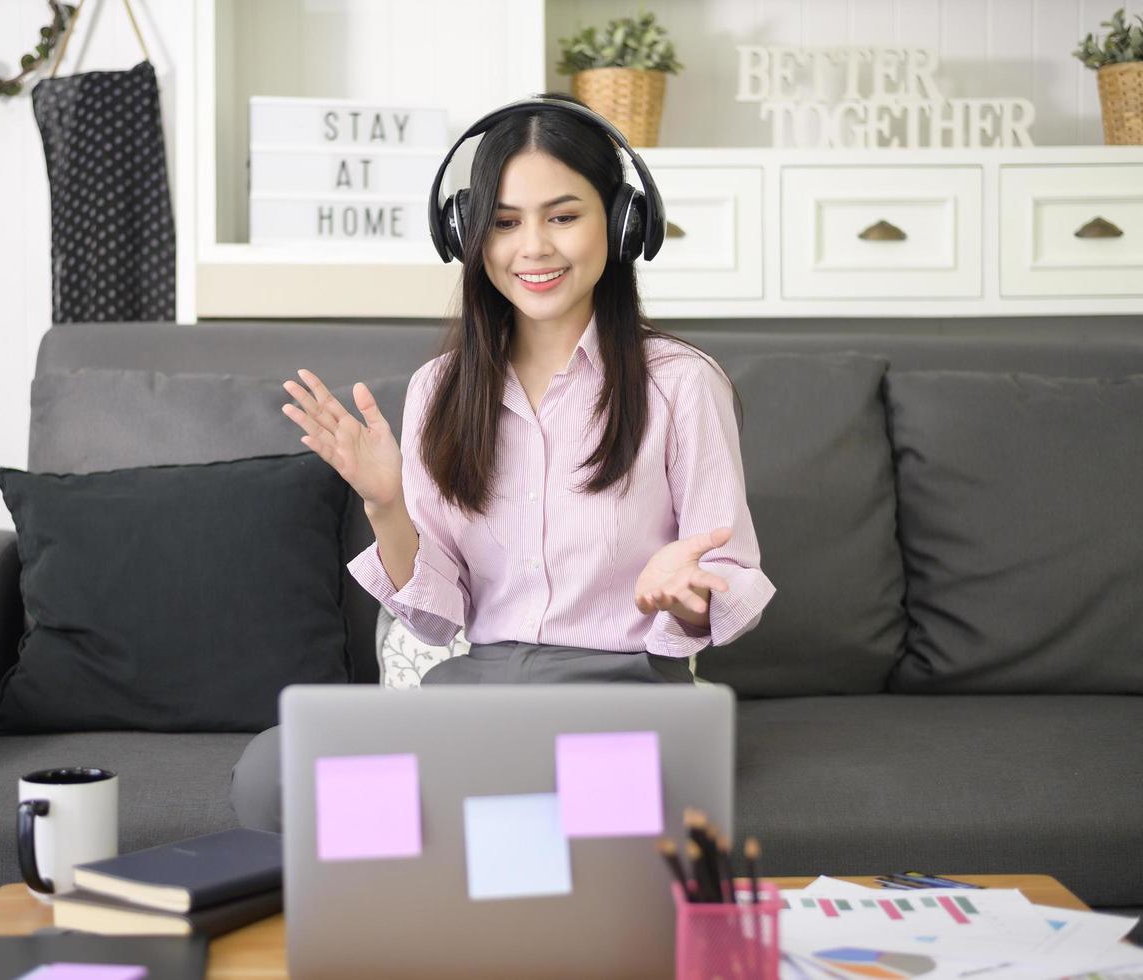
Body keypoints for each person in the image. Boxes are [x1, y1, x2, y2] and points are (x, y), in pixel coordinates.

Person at [230, 93, 775, 832]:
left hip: (626, 696)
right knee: (276, 770)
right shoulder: (439, 390)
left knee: (546, 796)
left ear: (621, 223)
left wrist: (680, 595)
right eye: (506, 222)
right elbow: (434, 618)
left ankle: (479, 902)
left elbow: (729, 575)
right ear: (468, 235)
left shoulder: (680, 383)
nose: (533, 249)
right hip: (479, 688)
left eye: (562, 216)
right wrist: (385, 505)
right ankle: (399, 929)